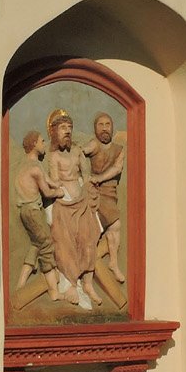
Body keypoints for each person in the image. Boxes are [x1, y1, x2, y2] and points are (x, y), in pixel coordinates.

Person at [45, 110, 101, 311]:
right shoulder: (53, 156)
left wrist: (87, 190)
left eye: (69, 128)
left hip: (81, 201)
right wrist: (62, 194)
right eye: (62, 128)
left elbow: (86, 175)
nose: (67, 131)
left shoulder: (77, 151)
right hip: (64, 203)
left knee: (89, 238)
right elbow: (54, 181)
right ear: (54, 132)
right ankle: (71, 285)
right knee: (65, 242)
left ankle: (88, 284)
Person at [12, 130, 65, 298]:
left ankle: (20, 285)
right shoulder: (35, 168)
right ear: (34, 144)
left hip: (25, 211)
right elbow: (47, 192)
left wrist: (57, 183)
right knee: (47, 245)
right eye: (42, 141)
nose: (44, 144)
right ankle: (54, 291)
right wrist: (59, 192)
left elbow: (48, 180)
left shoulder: (27, 164)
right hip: (33, 211)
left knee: (36, 244)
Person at [82, 112, 127, 284]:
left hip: (110, 192)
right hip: (95, 193)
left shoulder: (118, 150)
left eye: (107, 124)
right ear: (95, 129)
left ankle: (113, 263)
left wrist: (100, 178)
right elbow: (80, 153)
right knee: (95, 232)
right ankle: (85, 276)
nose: (104, 128)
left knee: (115, 226)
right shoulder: (94, 144)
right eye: (100, 125)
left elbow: (117, 168)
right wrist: (85, 176)